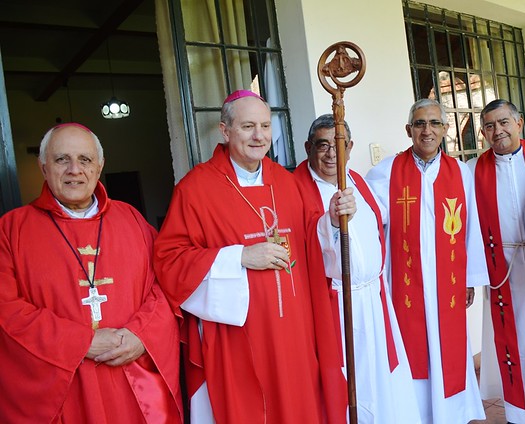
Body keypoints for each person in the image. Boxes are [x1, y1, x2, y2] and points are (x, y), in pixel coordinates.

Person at [153, 90, 353, 423]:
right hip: (238, 339)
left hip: (295, 331)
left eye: (264, 125)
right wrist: (239, 257)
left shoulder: (287, 184)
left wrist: (330, 220)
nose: (259, 136)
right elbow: (170, 261)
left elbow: (313, 245)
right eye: (248, 126)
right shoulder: (195, 189)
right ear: (225, 130)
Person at [0, 123, 182, 423]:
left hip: (133, 381)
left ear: (99, 166)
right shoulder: (11, 230)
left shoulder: (132, 220)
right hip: (63, 390)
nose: (74, 169)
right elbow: (6, 310)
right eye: (62, 160)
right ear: (43, 167)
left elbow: (165, 285)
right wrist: (80, 342)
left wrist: (142, 335)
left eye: (84, 159)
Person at [366, 98, 489, 423]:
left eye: (435, 123)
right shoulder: (387, 171)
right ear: (408, 130)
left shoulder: (459, 172)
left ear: (446, 129)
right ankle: (416, 413)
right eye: (420, 124)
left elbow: (471, 226)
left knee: (448, 349)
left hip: (446, 283)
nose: (427, 130)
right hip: (406, 283)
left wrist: (469, 279)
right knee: (412, 348)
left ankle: (451, 413)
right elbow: (370, 217)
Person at [294, 114, 422, 423]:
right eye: (322, 145)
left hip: (374, 300)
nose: (330, 154)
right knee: (351, 381)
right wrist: (331, 222)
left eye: (337, 145)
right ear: (308, 147)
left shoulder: (358, 180)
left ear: (350, 148)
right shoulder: (295, 189)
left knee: (381, 378)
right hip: (335, 304)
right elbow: (303, 244)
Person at [466, 99, 525, 424]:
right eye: (490, 126)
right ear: (483, 133)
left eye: (504, 122)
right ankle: (522, 415)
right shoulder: (474, 170)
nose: (498, 131)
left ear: (519, 124)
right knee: (515, 346)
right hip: (503, 271)